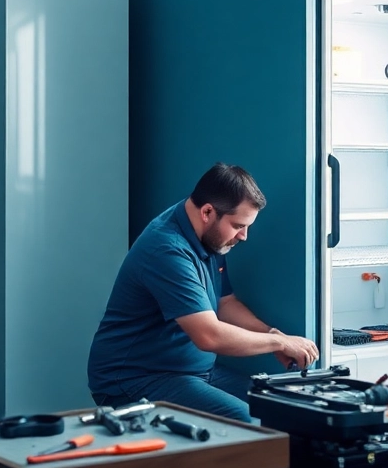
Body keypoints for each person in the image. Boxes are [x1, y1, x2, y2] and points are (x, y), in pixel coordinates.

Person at [86, 163, 320, 423]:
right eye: (238, 226)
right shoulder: (167, 250)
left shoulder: (209, 237)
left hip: (193, 372)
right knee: (248, 424)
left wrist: (272, 334)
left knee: (278, 407)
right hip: (135, 378)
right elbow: (209, 336)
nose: (244, 236)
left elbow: (226, 303)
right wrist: (280, 343)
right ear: (208, 211)